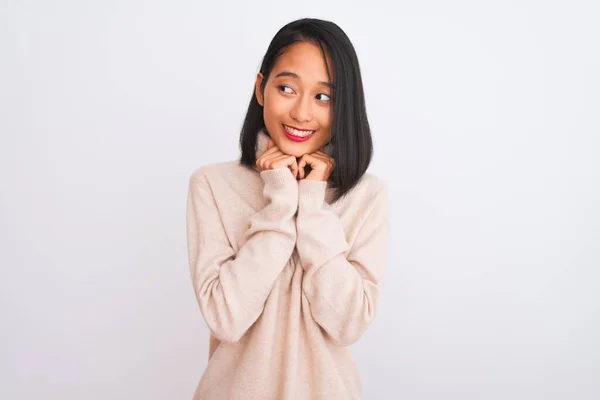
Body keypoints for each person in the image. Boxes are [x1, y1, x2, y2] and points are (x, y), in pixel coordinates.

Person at [185, 17, 390, 400]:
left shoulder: (367, 196)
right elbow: (226, 318)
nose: (301, 113)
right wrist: (281, 201)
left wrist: (311, 204)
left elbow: (347, 324)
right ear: (261, 88)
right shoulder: (211, 185)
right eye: (286, 88)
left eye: (323, 97)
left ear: (344, 107)